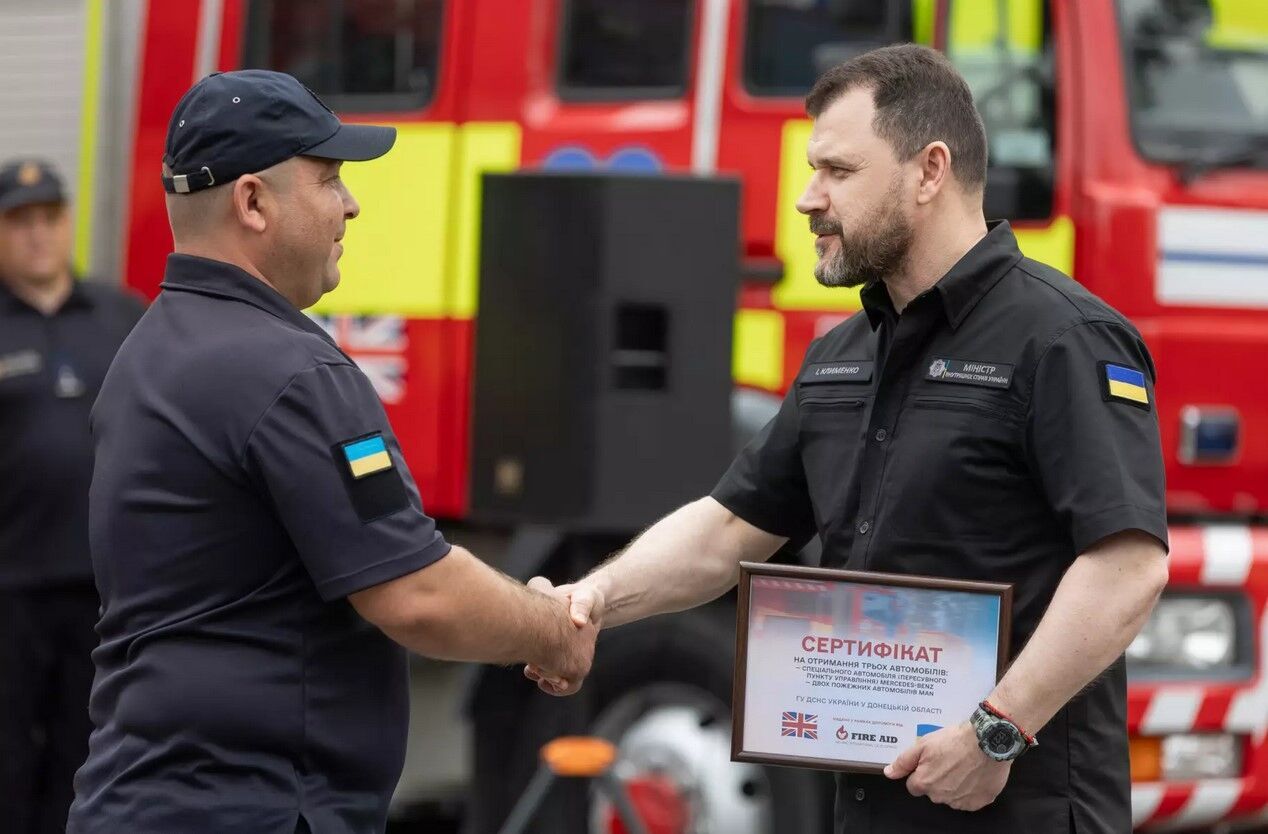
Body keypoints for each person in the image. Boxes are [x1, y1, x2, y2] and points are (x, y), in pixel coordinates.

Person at [527, 44, 1169, 833]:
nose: (806, 198)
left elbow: (1128, 566)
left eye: (837, 171)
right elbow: (729, 529)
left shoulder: (1064, 340)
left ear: (929, 171)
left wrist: (998, 729)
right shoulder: (842, 357)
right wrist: (589, 602)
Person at [67, 70, 594, 834]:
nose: (350, 203)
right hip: (257, 806)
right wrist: (554, 632)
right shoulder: (290, 370)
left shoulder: (145, 353)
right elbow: (416, 596)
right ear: (252, 202)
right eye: (329, 178)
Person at [0, 158, 145, 834]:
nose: (37, 235)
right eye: (19, 221)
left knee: (86, 755)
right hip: (10, 592)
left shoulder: (121, 315)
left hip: (105, 594)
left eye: (49, 218)